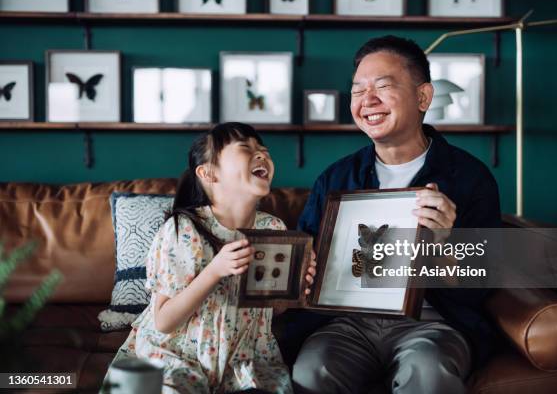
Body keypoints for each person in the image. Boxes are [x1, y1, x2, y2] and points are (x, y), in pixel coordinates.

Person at [292, 36, 501, 394]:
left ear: (423, 97)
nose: (367, 101)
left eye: (383, 86)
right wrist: (303, 269)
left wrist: (444, 243)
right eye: (358, 91)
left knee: (428, 371)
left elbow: (478, 287)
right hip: (348, 322)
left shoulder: (469, 178)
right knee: (311, 371)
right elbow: (304, 268)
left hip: (433, 321)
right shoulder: (335, 178)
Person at [103, 123, 315, 394]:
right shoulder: (183, 230)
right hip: (177, 357)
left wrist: (295, 290)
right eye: (245, 148)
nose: (261, 154)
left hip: (246, 361)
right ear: (208, 173)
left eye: (263, 149)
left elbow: (270, 310)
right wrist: (215, 271)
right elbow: (164, 321)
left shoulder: (273, 229)